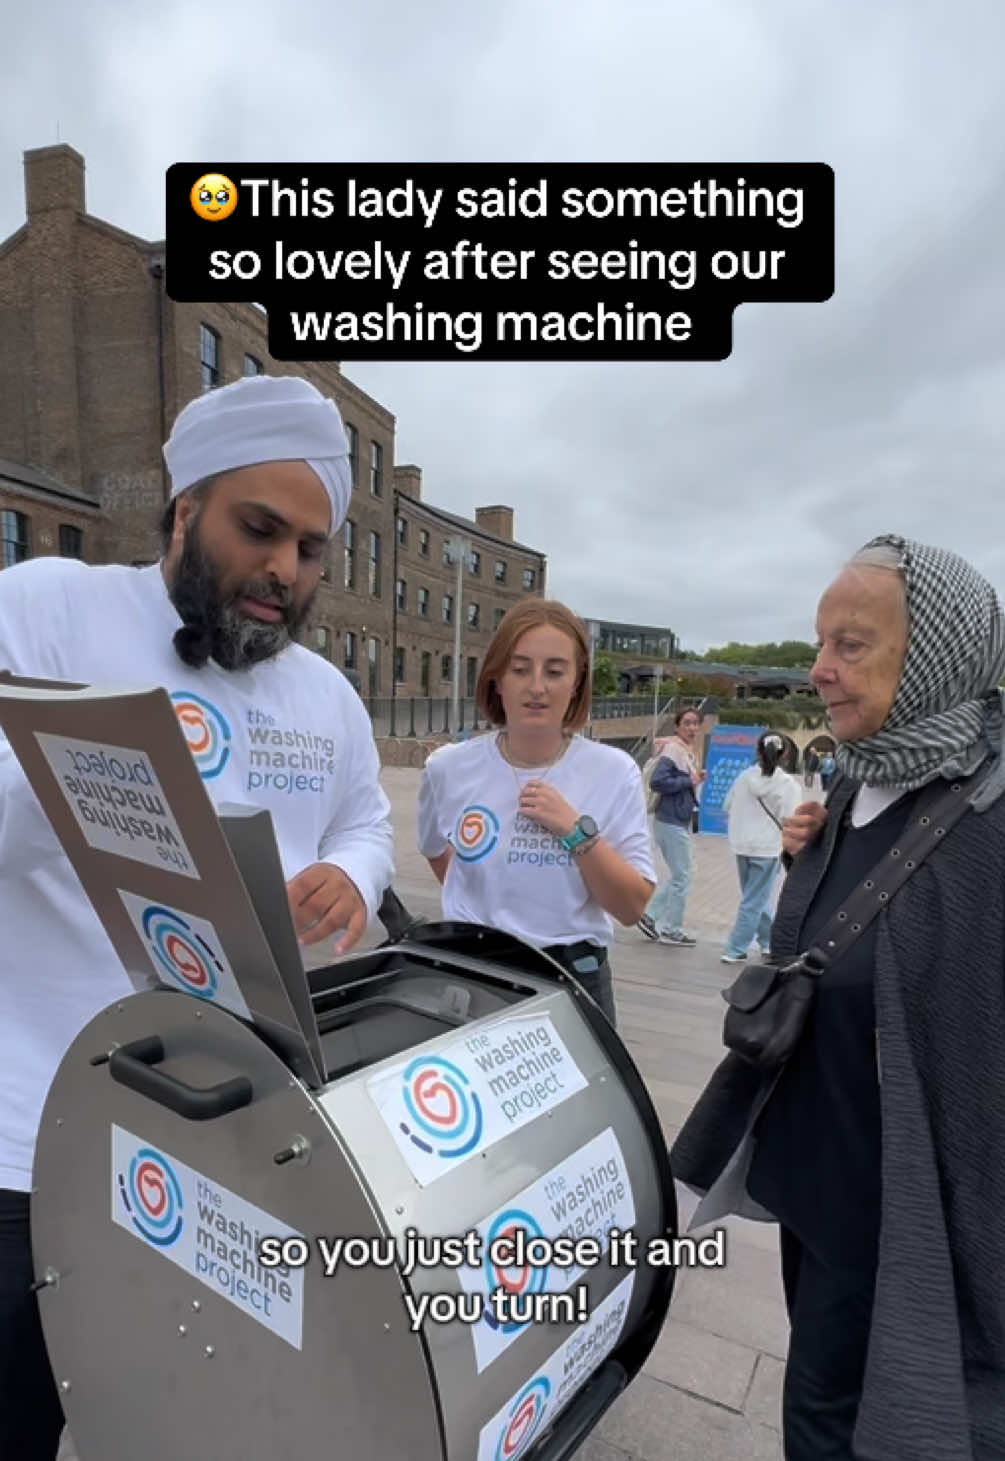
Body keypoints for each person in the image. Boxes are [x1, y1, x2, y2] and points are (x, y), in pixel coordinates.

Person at [0, 374, 394, 1460]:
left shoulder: (326, 696)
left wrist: (354, 879)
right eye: (258, 530)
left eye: (312, 549)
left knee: (187, 1410)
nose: (285, 570)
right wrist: (65, 771)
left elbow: (365, 822)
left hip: (226, 1133)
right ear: (183, 510)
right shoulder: (48, 609)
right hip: (29, 1131)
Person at [671, 534, 1005, 1460]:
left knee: (841, 1411)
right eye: (818, 642)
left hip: (903, 1210)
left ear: (936, 653)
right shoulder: (856, 781)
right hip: (818, 1175)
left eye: (849, 645)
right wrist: (802, 861)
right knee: (816, 1388)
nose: (817, 669)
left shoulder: (986, 822)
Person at [416, 599, 655, 1026]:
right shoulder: (447, 768)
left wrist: (575, 833)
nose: (537, 686)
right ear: (497, 680)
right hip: (474, 975)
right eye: (521, 668)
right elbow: (436, 852)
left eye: (555, 670)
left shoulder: (613, 772)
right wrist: (481, 901)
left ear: (577, 683)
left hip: (573, 979)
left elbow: (631, 908)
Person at [720, 732, 801, 964]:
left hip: (741, 844)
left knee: (754, 897)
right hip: (767, 847)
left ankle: (769, 941)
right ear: (785, 753)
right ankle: (735, 949)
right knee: (754, 900)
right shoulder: (788, 784)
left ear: (758, 751)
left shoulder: (745, 777)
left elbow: (727, 805)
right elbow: (789, 818)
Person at [637, 706, 706, 946]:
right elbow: (658, 781)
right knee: (683, 876)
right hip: (670, 819)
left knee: (681, 874)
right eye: (686, 723)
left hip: (675, 819)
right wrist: (690, 780)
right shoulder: (674, 750)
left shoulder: (685, 751)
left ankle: (651, 916)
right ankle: (670, 928)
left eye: (696, 723)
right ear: (677, 726)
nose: (692, 728)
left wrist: (693, 779)